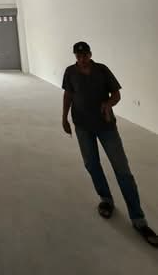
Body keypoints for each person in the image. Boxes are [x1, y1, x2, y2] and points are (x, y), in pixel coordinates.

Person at [62, 41, 157, 247]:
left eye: (85, 55)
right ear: (75, 56)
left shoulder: (102, 70)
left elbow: (117, 94)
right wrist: (64, 118)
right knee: (92, 164)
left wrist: (108, 103)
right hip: (82, 127)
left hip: (106, 127)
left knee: (122, 171)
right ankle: (106, 199)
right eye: (78, 56)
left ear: (90, 54)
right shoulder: (70, 72)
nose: (82, 59)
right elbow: (68, 95)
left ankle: (139, 219)